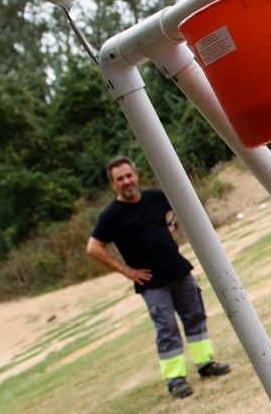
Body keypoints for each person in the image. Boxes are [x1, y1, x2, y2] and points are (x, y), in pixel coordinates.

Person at [85, 156, 230, 399]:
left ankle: (206, 363)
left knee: (195, 316)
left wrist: (172, 224)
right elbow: (93, 248)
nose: (126, 181)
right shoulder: (111, 216)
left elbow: (179, 204)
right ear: (113, 184)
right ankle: (175, 380)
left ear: (136, 175)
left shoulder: (156, 197)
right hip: (150, 282)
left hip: (178, 270)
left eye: (129, 175)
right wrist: (127, 271)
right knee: (167, 329)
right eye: (120, 179)